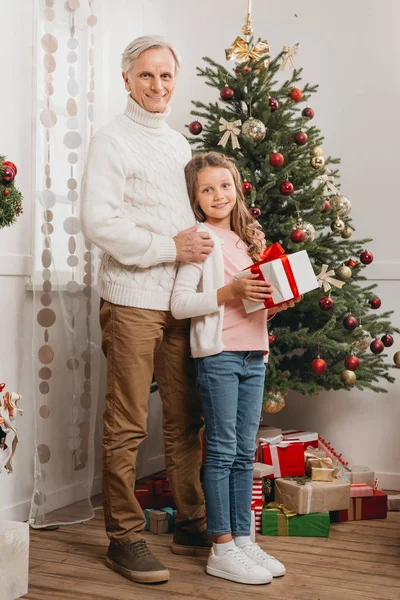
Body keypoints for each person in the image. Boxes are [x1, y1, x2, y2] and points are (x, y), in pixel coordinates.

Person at [80, 36, 217, 585]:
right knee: (128, 422)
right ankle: (125, 538)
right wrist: (169, 249)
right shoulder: (111, 142)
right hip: (133, 300)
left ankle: (191, 520)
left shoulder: (179, 144)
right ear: (127, 80)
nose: (157, 86)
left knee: (186, 418)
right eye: (146, 76)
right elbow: (100, 224)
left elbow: (196, 215)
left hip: (179, 301)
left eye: (166, 76)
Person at [171, 152, 298, 585]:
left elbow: (254, 304)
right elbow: (181, 303)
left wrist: (279, 300)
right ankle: (221, 546)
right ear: (195, 197)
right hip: (220, 355)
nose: (218, 195)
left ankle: (244, 539)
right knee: (223, 450)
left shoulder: (248, 240)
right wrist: (230, 289)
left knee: (246, 452)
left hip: (254, 353)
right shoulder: (199, 238)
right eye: (207, 189)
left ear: (237, 187)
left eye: (224, 186)